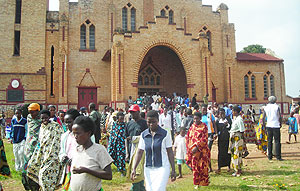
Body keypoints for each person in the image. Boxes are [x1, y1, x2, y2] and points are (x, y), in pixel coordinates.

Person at [131, 110, 176, 191]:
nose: (151, 124)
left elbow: (170, 152)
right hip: (148, 168)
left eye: (154, 122)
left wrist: (173, 169)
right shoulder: (144, 135)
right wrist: (134, 168)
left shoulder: (165, 134)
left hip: (162, 168)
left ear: (158, 121)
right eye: (149, 122)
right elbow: (139, 152)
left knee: (159, 189)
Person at [70, 116, 113, 191]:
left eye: (78, 133)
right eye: (74, 134)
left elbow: (108, 175)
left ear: (88, 133)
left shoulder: (99, 150)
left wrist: (87, 170)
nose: (75, 137)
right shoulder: (77, 150)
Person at [26, 109, 64, 190]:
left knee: (45, 175)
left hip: (53, 156)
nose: (44, 120)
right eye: (42, 118)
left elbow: (58, 140)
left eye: (46, 118)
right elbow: (41, 142)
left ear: (49, 117)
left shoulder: (56, 126)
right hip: (43, 154)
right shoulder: (42, 127)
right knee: (33, 169)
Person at [125, 104, 148, 190]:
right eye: (131, 112)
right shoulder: (129, 124)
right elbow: (126, 139)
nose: (132, 114)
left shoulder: (144, 123)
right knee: (134, 170)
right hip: (131, 150)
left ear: (138, 112)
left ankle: (135, 188)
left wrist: (135, 139)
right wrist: (127, 153)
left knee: (138, 171)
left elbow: (147, 137)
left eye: (134, 112)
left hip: (141, 151)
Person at [186, 112, 210, 189]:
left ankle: (204, 182)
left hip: (202, 151)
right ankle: (196, 183)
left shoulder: (204, 127)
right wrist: (190, 148)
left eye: (197, 118)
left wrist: (197, 146)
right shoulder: (192, 127)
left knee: (202, 167)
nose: (195, 120)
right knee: (195, 167)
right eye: (194, 119)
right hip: (193, 152)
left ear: (200, 118)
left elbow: (205, 138)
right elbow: (188, 137)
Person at [59, 108, 81, 190]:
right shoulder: (64, 136)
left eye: (69, 122)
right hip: (68, 170)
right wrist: (63, 157)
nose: (67, 125)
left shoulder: (84, 136)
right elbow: (62, 151)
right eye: (66, 122)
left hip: (80, 169)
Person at [23, 103, 42, 191]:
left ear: (38, 111)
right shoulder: (29, 118)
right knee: (27, 165)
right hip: (29, 146)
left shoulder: (42, 119)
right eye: (30, 112)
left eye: (33, 112)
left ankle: (36, 185)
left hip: (38, 146)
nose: (31, 114)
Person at [263, 96, 283, 161]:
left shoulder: (266, 107)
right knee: (277, 141)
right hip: (276, 125)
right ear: (275, 100)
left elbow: (263, 118)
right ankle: (278, 156)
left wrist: (264, 125)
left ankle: (269, 156)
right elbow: (279, 116)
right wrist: (280, 123)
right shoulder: (276, 107)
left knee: (269, 141)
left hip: (269, 125)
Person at [229, 105, 245, 177]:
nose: (232, 112)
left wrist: (243, 141)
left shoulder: (239, 119)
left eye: (233, 111)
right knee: (234, 153)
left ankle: (237, 170)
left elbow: (242, 130)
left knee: (237, 153)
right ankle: (238, 169)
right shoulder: (235, 118)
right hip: (234, 137)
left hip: (237, 137)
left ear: (235, 112)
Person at [201, 104, 217, 172]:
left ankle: (209, 167)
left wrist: (216, 133)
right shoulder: (200, 116)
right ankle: (206, 167)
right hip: (202, 135)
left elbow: (214, 124)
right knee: (203, 151)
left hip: (210, 134)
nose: (204, 111)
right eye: (203, 109)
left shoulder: (210, 115)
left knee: (207, 150)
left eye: (205, 109)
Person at [215, 108, 231, 173]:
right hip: (220, 138)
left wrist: (227, 125)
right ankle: (219, 167)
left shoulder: (228, 119)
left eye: (223, 113)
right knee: (220, 152)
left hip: (226, 138)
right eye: (220, 113)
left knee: (227, 151)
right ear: (219, 114)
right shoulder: (218, 121)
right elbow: (216, 129)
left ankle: (228, 166)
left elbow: (230, 128)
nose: (222, 115)